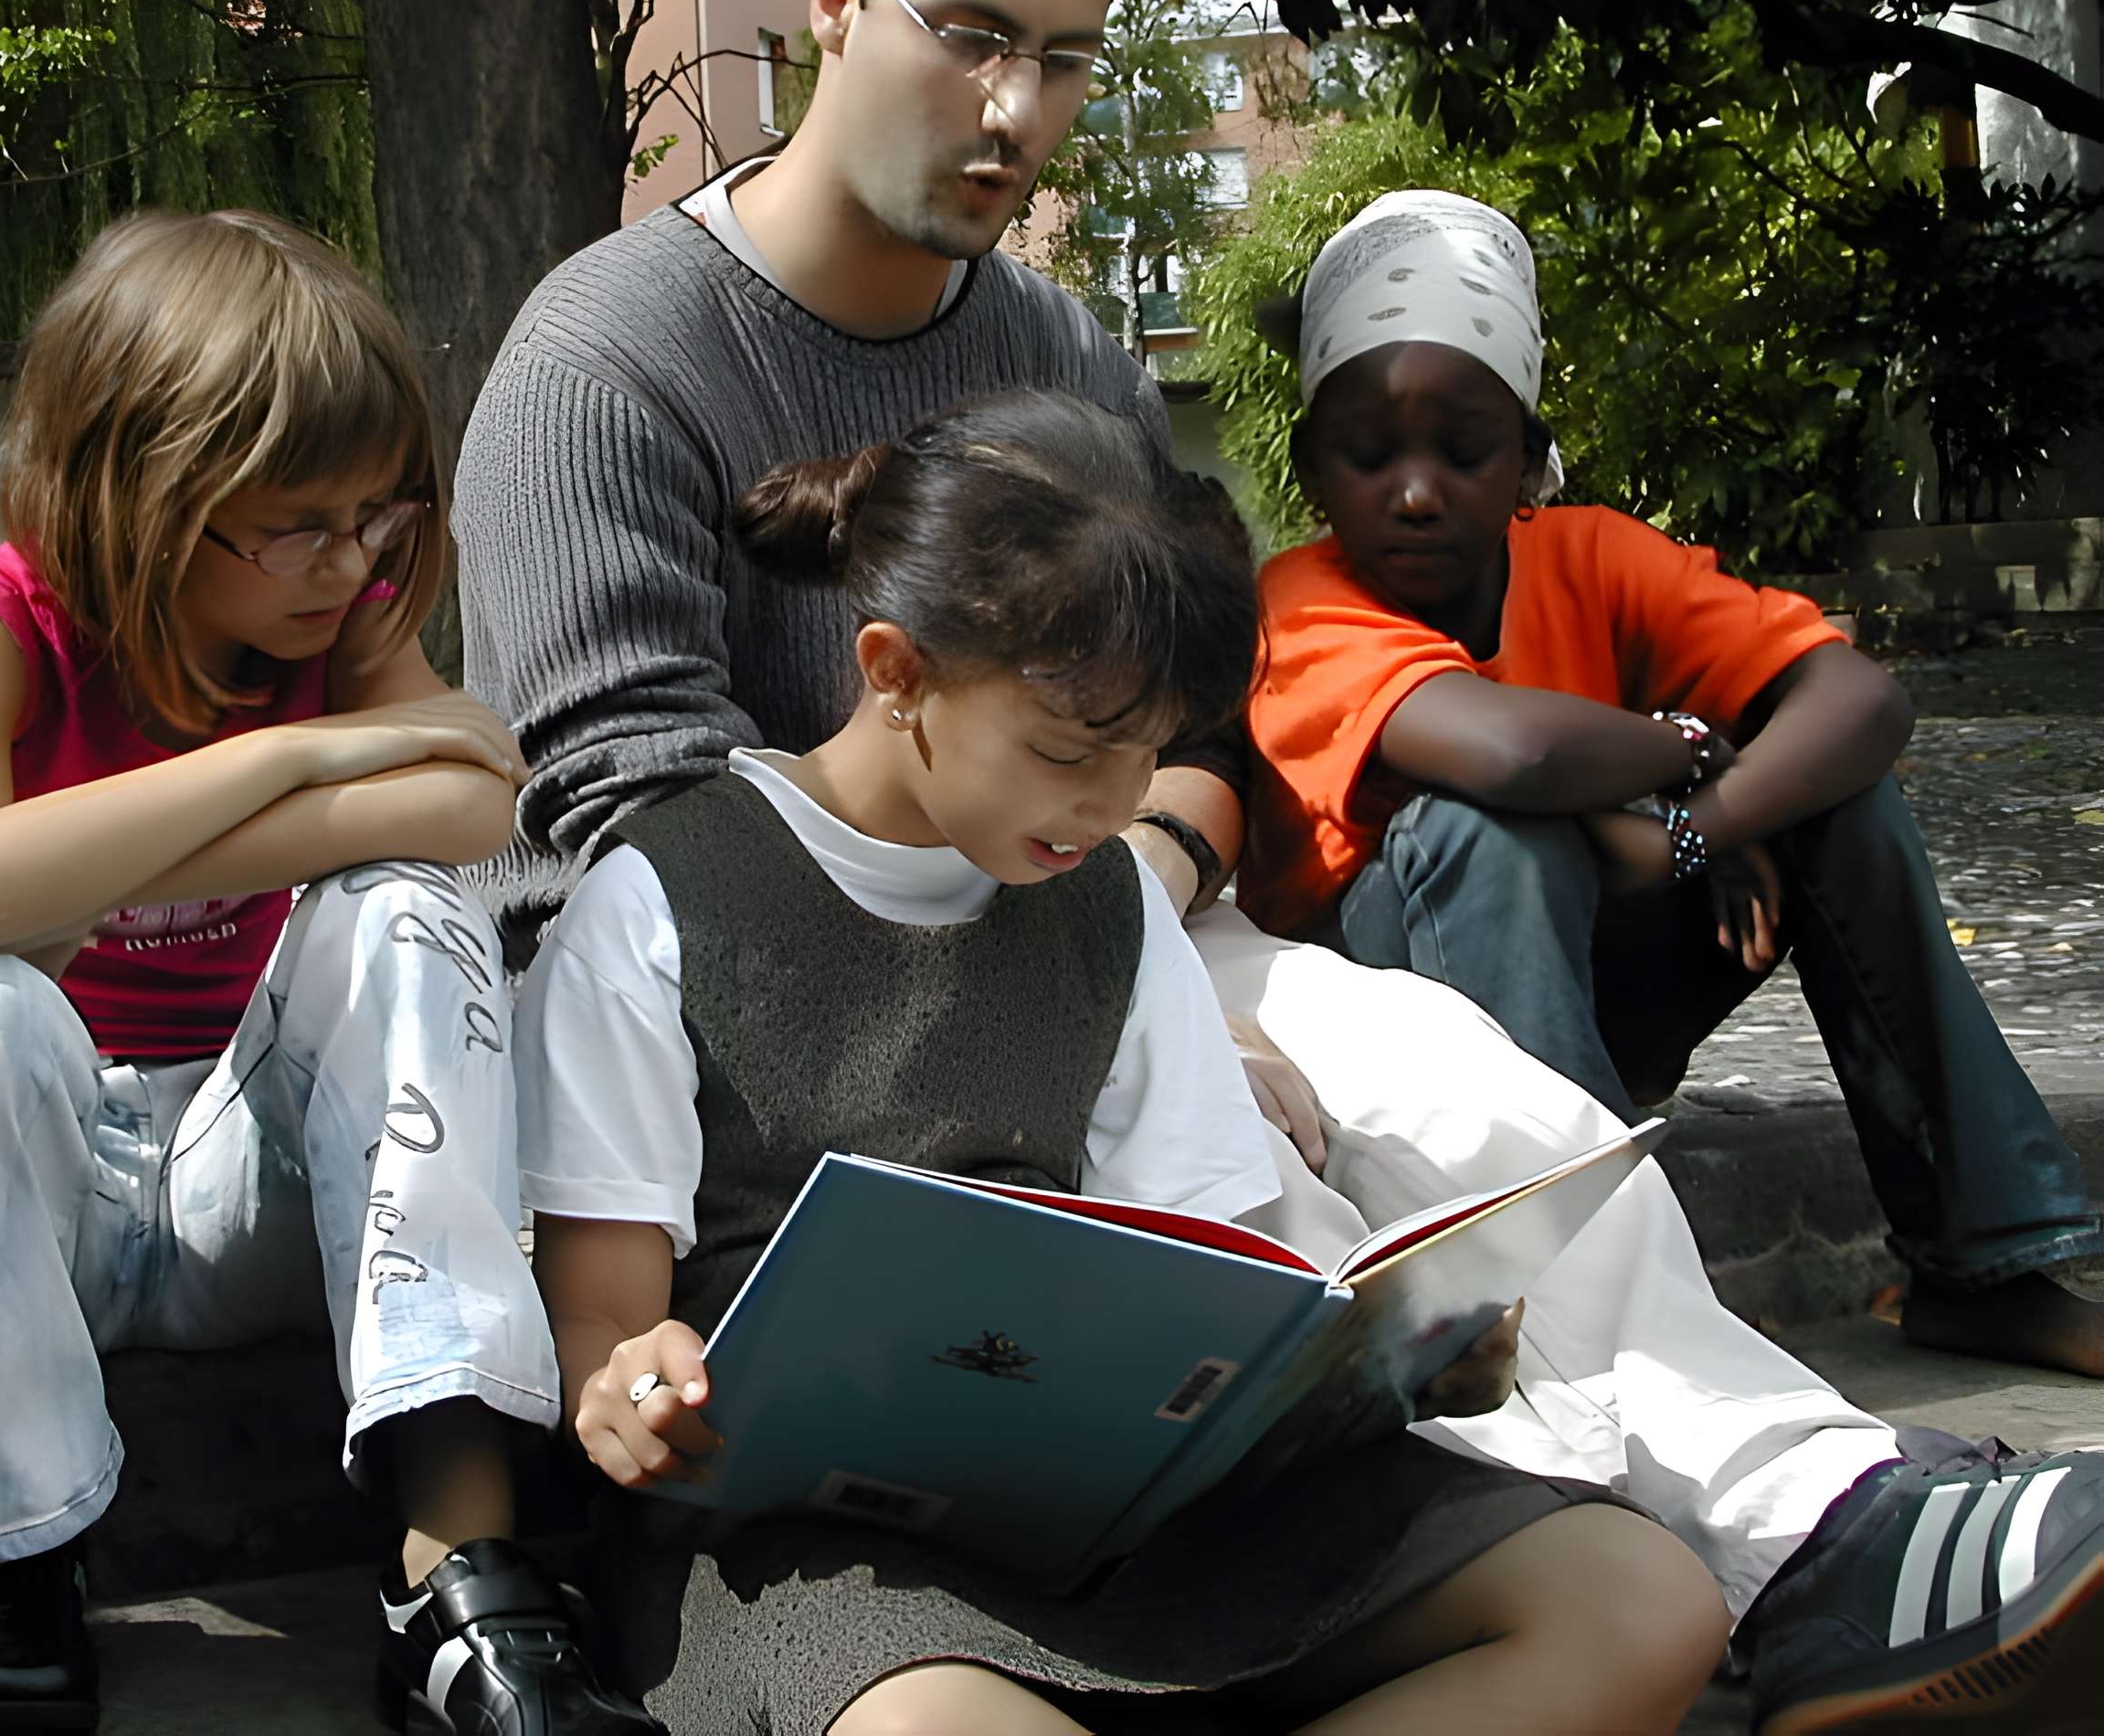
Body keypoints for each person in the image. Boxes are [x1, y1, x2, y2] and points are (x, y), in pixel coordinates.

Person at [459, 0, 2104, 1731]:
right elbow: (616, 803)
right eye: (971, 33)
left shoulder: (1058, 350)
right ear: (837, 1)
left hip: (1083, 881)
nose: (1017, 104)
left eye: (1068, 58)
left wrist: (1124, 931)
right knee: (1231, 1146)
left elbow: (1208, 731)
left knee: (1433, 1086)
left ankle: (1814, 1527)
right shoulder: (610, 360)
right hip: (780, 966)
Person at [521, 389, 1734, 1735]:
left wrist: (1394, 1361)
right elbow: (606, 1338)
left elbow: (1207, 1275)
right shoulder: (660, 906)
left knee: (1641, 1599)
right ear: (895, 670)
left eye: (1150, 751)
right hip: (812, 1553)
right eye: (1067, 750)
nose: (1113, 805)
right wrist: (640, 1392)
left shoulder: (1110, 901)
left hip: (1114, 1509)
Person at [0, 210, 658, 1735]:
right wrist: (297, 751)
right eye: (296, 523)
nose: (349, 563)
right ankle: (10, 1554)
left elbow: (476, 798)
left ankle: (455, 1558)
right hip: (47, 1182)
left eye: (376, 518)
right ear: (136, 497)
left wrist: (85, 861)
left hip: (248, 1182)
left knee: (415, 918)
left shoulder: (329, 612)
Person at [1239, 186, 2104, 1385]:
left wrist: (1698, 829)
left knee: (1838, 805)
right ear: (1310, 466)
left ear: (1530, 458)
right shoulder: (1299, 604)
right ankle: (1602, 1306)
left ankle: (1985, 1268)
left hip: (1588, 991)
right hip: (1385, 1049)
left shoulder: (1590, 557)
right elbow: (1513, 757)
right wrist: (1693, 745)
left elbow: (1859, 703)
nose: (1418, 490)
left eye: (1465, 448)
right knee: (1484, 832)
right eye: (1369, 453)